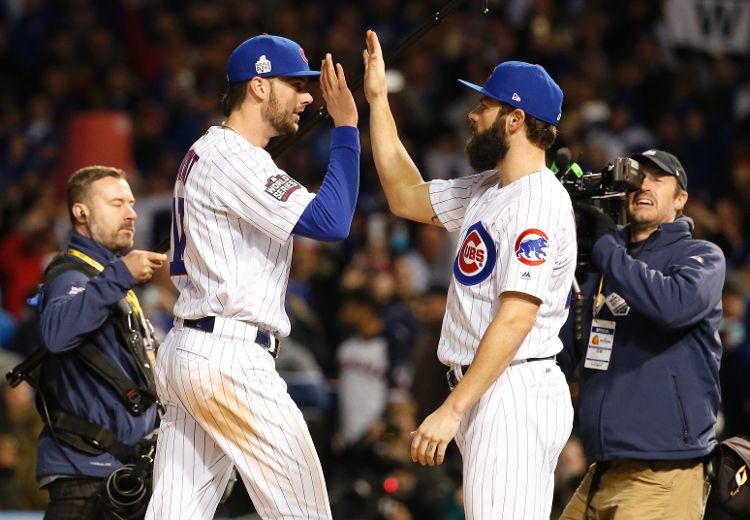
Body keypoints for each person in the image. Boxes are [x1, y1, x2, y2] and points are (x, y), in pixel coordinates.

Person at [362, 30, 576, 519]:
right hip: (491, 388)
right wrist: (378, 101)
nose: (472, 114)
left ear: (516, 119)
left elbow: (517, 319)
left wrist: (452, 408)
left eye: (485, 105)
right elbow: (404, 195)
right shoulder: (491, 187)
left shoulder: (536, 201)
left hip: (512, 391)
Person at [146, 34, 359, 520]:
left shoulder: (209, 152)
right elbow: (332, 222)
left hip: (192, 349)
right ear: (259, 87)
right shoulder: (235, 157)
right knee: (305, 512)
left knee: (176, 513)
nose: (308, 97)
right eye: (295, 84)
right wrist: (347, 128)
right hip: (229, 359)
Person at [557, 150, 725, 519]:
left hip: (664, 471)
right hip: (603, 468)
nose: (643, 185)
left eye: (657, 179)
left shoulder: (701, 256)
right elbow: (564, 354)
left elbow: (672, 306)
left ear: (680, 199)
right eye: (636, 178)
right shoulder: (601, 264)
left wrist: (605, 248)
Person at [35, 165, 166, 519]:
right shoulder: (71, 275)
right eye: (116, 203)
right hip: (85, 483)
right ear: (81, 212)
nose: (131, 213)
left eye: (132, 203)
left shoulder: (112, 282)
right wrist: (121, 274)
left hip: (123, 477)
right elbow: (56, 335)